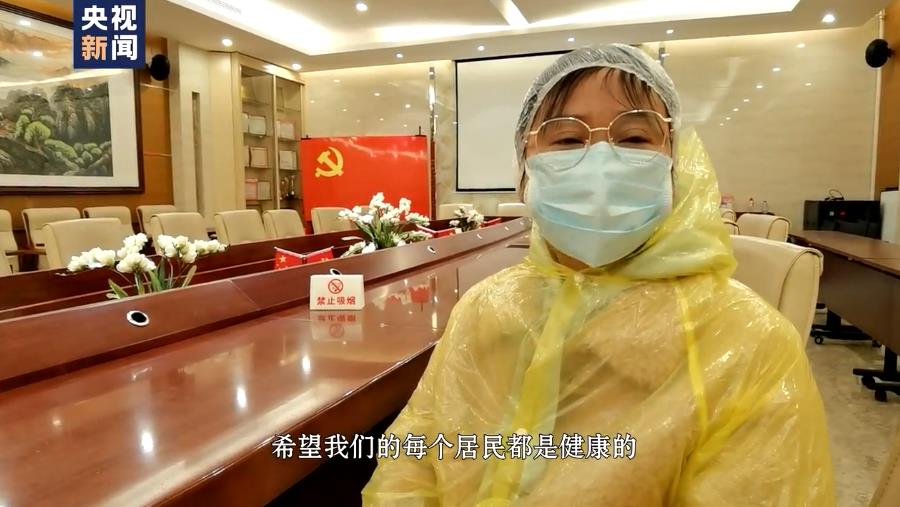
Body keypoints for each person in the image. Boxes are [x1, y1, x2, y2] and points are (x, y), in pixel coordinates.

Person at [362, 44, 834, 506]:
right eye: (568, 139)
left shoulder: (746, 341)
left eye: (634, 138)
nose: (601, 163)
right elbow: (413, 457)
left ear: (676, 162)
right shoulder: (485, 308)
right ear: (525, 166)